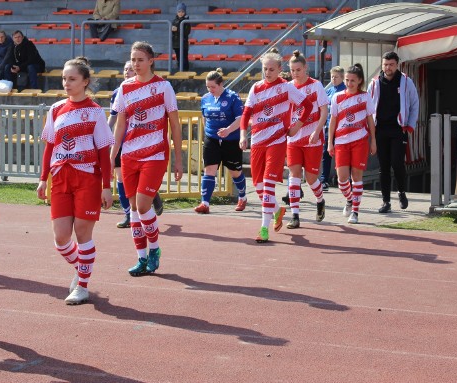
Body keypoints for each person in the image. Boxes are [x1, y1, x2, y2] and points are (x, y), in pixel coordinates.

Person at [37, 57, 114, 305]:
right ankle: (82, 268)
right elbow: (50, 146)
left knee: (82, 234)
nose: (66, 83)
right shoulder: (56, 109)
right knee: (61, 238)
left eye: (72, 79)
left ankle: (82, 285)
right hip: (60, 177)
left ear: (85, 82)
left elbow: (103, 152)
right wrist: (42, 179)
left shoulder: (95, 112)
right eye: (64, 79)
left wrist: (106, 186)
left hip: (87, 178)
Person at [110, 41, 183, 276]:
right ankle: (141, 258)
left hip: (155, 154)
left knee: (143, 206)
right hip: (130, 154)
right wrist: (113, 153)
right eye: (133, 60)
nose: (136, 64)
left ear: (151, 61)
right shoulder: (124, 87)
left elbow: (174, 123)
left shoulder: (164, 87)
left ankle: (154, 250)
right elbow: (121, 124)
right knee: (132, 208)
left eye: (140, 59)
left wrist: (178, 159)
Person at [239, 48, 312, 243]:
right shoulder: (256, 88)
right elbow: (246, 114)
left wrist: (297, 126)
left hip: (277, 141)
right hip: (257, 141)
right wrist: (242, 135)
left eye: (272, 69)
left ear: (280, 69)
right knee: (258, 185)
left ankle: (264, 228)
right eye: (265, 69)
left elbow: (308, 105)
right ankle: (278, 210)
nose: (268, 72)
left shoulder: (286, 88)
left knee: (268, 184)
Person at [108, 61, 164, 228]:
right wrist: (106, 134)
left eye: (130, 69)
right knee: (121, 178)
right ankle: (129, 214)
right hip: (122, 144)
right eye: (125, 69)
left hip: (143, 144)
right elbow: (114, 117)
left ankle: (152, 195)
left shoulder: (151, 90)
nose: (127, 72)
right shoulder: (119, 92)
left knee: (140, 181)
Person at [368, 51, 419, 213]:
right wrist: (369, 130)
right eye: (385, 65)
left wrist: (410, 125)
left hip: (398, 129)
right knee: (383, 166)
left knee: (397, 162)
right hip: (380, 129)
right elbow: (368, 108)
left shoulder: (405, 81)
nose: (387, 68)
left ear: (397, 65)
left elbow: (414, 104)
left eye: (391, 64)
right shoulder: (375, 83)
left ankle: (402, 192)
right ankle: (386, 201)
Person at [327, 64, 377, 224]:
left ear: (360, 80)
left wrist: (373, 141)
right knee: (342, 180)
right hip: (341, 142)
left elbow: (370, 119)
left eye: (352, 80)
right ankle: (349, 199)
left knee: (356, 178)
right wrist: (330, 142)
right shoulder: (337, 97)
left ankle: (355, 211)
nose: (349, 83)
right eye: (347, 80)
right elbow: (333, 120)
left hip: (360, 141)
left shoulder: (365, 96)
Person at [285, 51, 329, 228]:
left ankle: (320, 200)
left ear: (305, 68)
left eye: (298, 69)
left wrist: (317, 131)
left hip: (313, 139)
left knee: (311, 178)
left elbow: (324, 111)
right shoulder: (288, 87)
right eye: (292, 70)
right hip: (294, 139)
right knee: (294, 176)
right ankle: (295, 215)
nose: (295, 73)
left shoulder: (316, 86)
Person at [195, 68, 247, 214]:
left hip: (230, 139)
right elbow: (204, 116)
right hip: (212, 138)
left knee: (234, 172)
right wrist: (208, 133)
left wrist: (228, 130)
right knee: (209, 170)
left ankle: (242, 197)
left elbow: (240, 118)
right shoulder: (205, 98)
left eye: (213, 86)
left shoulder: (232, 97)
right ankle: (204, 202)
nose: (210, 89)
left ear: (221, 84)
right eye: (208, 87)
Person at [320, 66, 346, 190]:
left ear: (342, 77)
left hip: (342, 128)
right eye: (332, 77)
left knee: (342, 153)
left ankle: (344, 179)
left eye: (336, 77)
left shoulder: (345, 90)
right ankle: (324, 179)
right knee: (326, 153)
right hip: (329, 126)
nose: (333, 79)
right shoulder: (329, 91)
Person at [171, 2, 190, 71]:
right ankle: (180, 71)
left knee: (184, 58)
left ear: (185, 12)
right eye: (179, 11)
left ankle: (185, 71)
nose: (181, 13)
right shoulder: (174, 21)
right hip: (176, 44)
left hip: (183, 43)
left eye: (182, 11)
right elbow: (173, 32)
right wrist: (172, 30)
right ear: (177, 12)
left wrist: (177, 29)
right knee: (179, 58)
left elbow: (186, 32)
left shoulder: (186, 21)